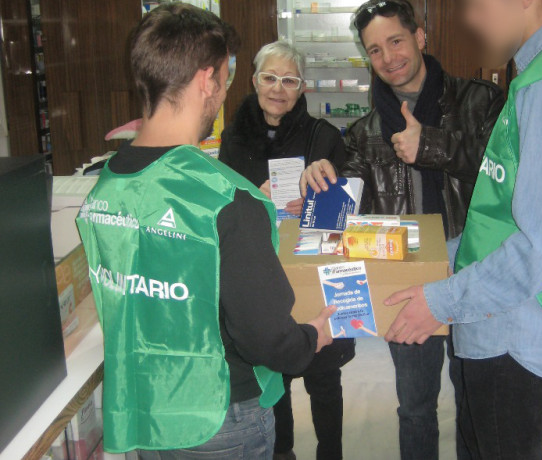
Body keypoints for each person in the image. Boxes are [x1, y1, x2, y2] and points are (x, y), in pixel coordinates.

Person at [75, 4, 335, 459]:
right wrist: (310, 339)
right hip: (219, 416)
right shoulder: (227, 198)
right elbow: (267, 338)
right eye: (227, 75)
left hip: (144, 409)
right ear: (205, 81)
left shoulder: (104, 187)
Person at [382, 0, 542, 458]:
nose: (470, 20)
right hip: (503, 315)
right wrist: (435, 258)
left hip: (510, 331)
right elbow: (509, 215)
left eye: (476, 5)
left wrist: (440, 300)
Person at [300, 1, 504, 459]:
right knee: (415, 405)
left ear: (420, 36)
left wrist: (430, 144)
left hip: (473, 267)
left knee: (475, 397)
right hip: (408, 276)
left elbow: (507, 177)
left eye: (396, 41)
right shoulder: (363, 132)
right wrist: (319, 178)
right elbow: (347, 198)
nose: (389, 57)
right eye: (375, 50)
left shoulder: (481, 101)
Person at [220, 41, 355, 460]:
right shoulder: (233, 137)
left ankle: (330, 452)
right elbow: (222, 205)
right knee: (271, 378)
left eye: (290, 80)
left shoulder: (325, 136)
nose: (278, 88)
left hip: (315, 271)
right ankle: (282, 452)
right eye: (269, 78)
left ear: (302, 89)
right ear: (254, 81)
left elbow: (350, 209)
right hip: (260, 281)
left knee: (324, 377)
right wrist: (250, 197)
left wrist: (319, 200)